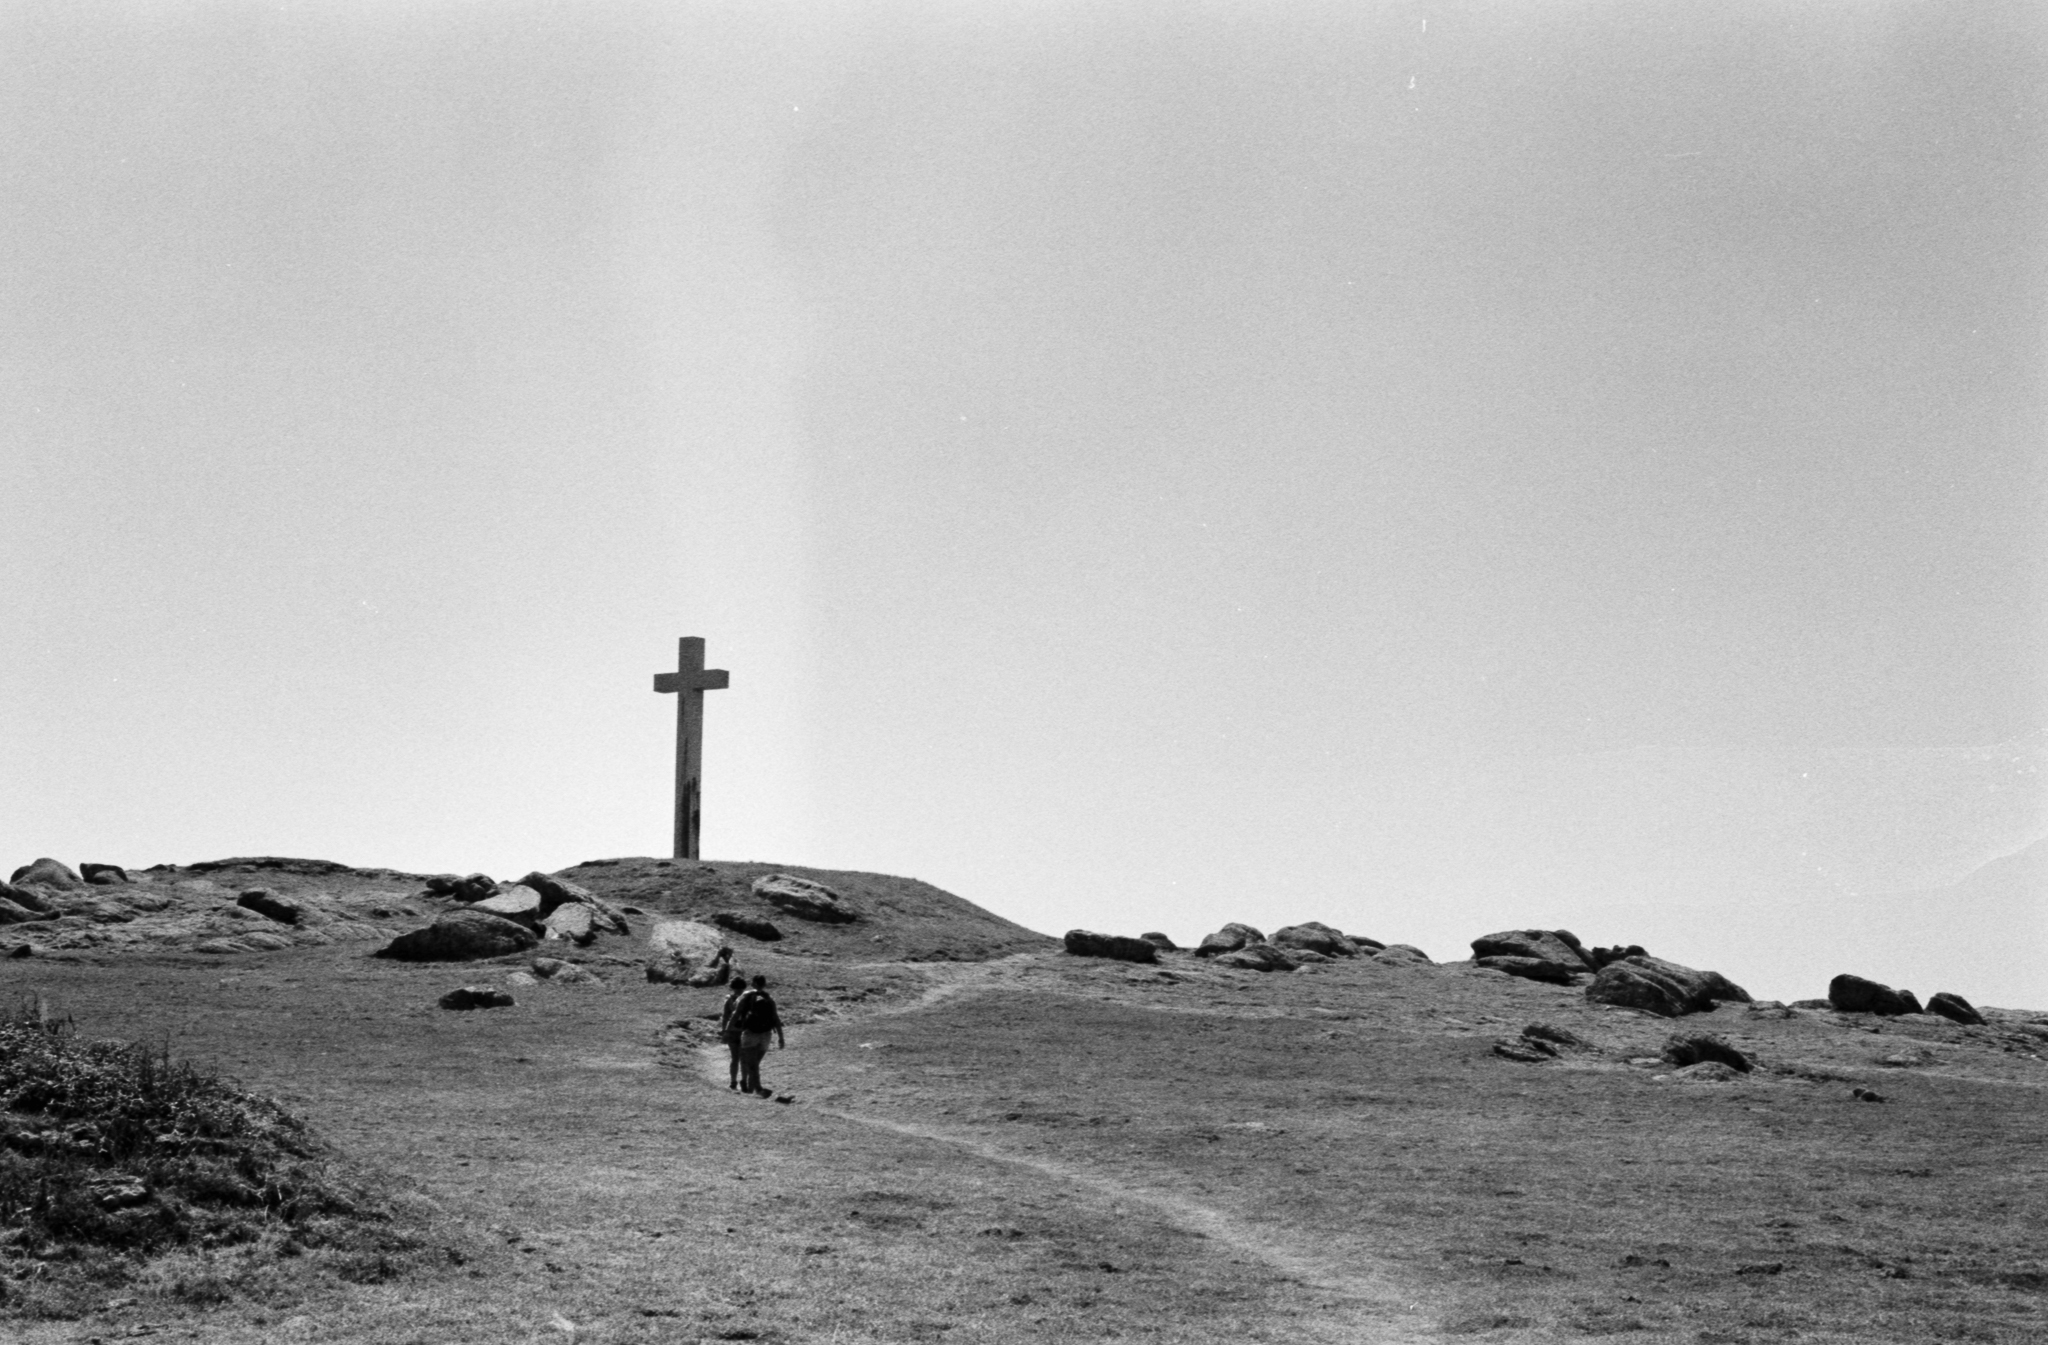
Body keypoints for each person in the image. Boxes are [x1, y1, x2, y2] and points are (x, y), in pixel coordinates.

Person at [733, 974, 784, 1097]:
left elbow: (736, 1013)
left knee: (752, 1064)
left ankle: (756, 1090)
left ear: (753, 984)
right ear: (764, 984)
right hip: (766, 1034)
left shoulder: (746, 996)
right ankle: (752, 1090)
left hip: (750, 1033)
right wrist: (781, 1037)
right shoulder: (769, 998)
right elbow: (776, 1018)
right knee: (755, 1064)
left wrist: (728, 1030)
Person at [718, 976, 749, 1090]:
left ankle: (733, 1081)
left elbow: (725, 1017)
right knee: (743, 1059)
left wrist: (724, 1031)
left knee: (734, 1058)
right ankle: (744, 1081)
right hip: (744, 1032)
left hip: (732, 1032)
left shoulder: (729, 1000)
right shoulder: (747, 999)